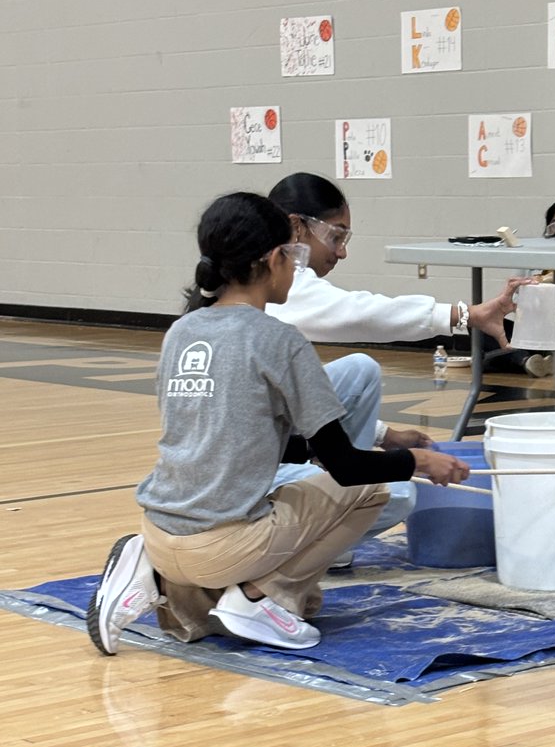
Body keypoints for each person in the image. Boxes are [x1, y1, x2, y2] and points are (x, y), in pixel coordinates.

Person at [87, 192, 468, 657]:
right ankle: (261, 598)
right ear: (274, 258)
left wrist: (388, 438)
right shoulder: (278, 340)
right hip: (219, 549)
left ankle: (155, 570)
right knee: (372, 490)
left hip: (158, 529)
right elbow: (345, 467)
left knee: (284, 543)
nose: (297, 269)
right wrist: (419, 462)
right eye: (295, 257)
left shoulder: (181, 331)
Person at [262, 173, 535, 536]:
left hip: (222, 478)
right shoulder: (273, 298)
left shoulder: (213, 317)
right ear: (296, 228)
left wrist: (382, 436)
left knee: (359, 371)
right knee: (396, 494)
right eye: (336, 236)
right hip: (239, 492)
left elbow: (301, 403)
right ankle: (290, 550)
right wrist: (464, 315)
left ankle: (319, 522)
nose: (341, 251)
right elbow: (359, 312)